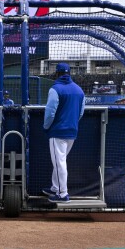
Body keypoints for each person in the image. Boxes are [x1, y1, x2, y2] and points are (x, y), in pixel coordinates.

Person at [42, 62, 85, 202]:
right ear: (69, 73)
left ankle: (62, 194)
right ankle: (55, 187)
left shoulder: (55, 89)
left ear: (57, 73)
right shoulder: (79, 90)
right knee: (60, 161)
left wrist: (46, 126)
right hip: (72, 131)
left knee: (59, 163)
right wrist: (72, 124)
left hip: (58, 132)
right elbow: (81, 113)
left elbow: (50, 113)